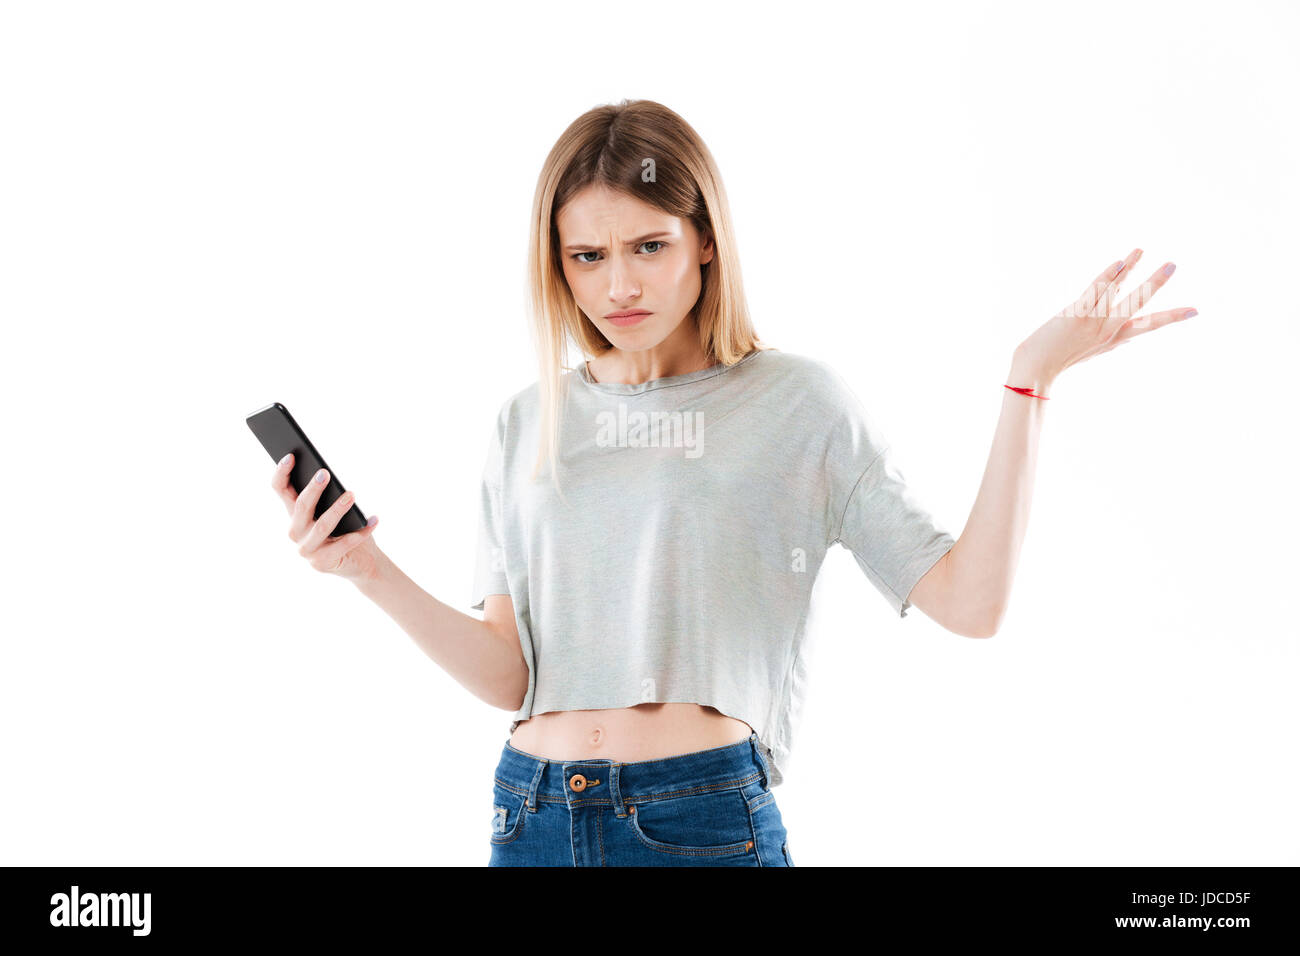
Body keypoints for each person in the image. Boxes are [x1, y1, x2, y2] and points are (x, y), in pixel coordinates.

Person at [268, 99, 1195, 866]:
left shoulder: (796, 402)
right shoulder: (528, 418)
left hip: (695, 818)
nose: (618, 285)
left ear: (705, 241)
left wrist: (1029, 380)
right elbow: (513, 674)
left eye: (649, 246)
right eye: (587, 257)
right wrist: (369, 572)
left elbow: (971, 602)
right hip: (530, 818)